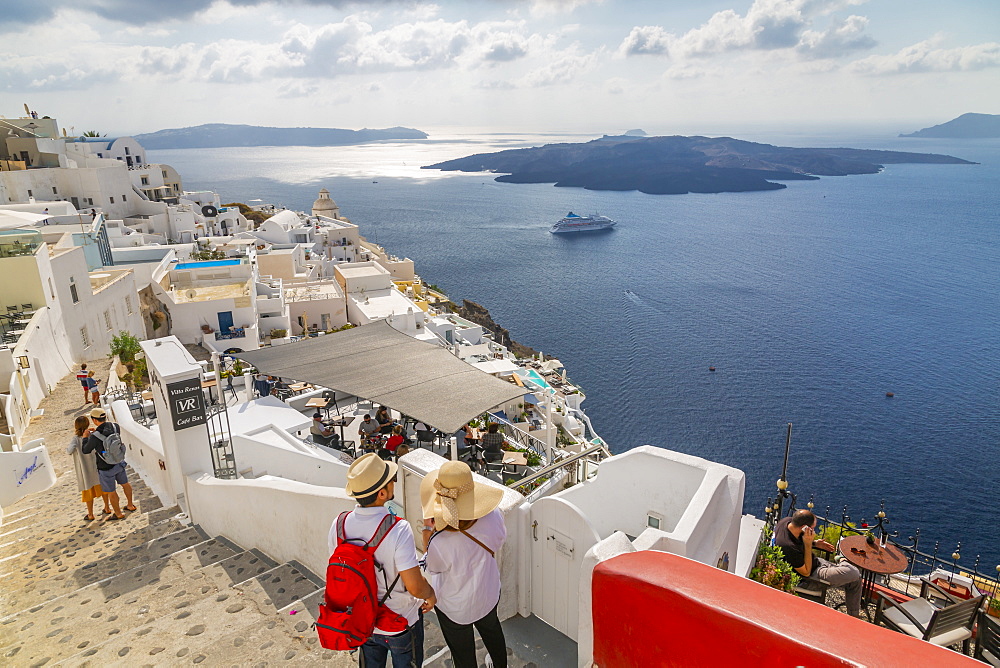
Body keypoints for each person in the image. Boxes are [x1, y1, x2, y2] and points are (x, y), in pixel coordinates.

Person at [329, 453, 435, 668]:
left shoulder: (339, 525)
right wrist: (431, 594)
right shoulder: (398, 528)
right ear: (382, 493)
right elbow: (414, 586)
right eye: (391, 480)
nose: (394, 482)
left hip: (361, 620)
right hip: (399, 621)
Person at [420, 461, 508, 668]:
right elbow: (499, 540)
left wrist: (427, 533)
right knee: (493, 632)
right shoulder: (493, 516)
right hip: (487, 593)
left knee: (462, 653)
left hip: (455, 606)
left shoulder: (440, 542)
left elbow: (433, 567)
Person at [774, 509, 862, 617]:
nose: (814, 531)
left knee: (856, 580)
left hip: (816, 563)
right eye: (812, 528)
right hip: (811, 578)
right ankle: (842, 560)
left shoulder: (786, 522)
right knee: (854, 573)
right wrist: (808, 543)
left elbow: (799, 540)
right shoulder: (788, 547)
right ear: (804, 528)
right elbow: (806, 572)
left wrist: (815, 543)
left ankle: (853, 617)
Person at [82, 407, 136, 520]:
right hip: (119, 462)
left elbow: (86, 450)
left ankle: (118, 513)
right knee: (125, 484)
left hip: (105, 467)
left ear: (94, 420)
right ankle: (130, 505)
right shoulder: (115, 426)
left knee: (112, 491)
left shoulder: (95, 436)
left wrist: (86, 438)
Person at [66, 415, 111, 521]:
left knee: (88, 492)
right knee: (103, 488)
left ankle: (90, 514)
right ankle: (107, 507)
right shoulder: (92, 435)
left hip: (85, 470)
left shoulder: (76, 439)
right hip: (96, 466)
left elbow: (69, 450)